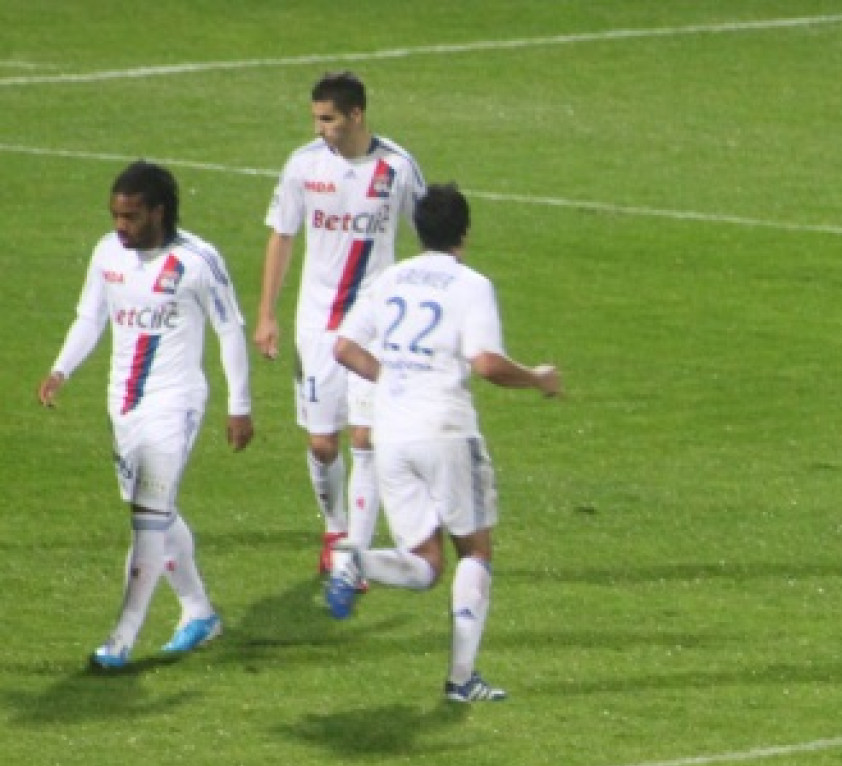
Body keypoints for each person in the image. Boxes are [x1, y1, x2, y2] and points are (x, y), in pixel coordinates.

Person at [325, 183, 562, 702]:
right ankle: (460, 679)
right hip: (447, 432)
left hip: (392, 434)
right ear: (465, 232)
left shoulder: (390, 278)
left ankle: (356, 559)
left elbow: (343, 347)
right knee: (474, 551)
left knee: (426, 565)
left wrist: (390, 378)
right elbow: (487, 364)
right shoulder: (470, 285)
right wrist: (539, 378)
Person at [38, 161, 254, 669]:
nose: (120, 225)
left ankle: (121, 639)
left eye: (131, 217)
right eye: (115, 215)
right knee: (153, 512)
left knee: (148, 520)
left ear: (159, 212)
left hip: (174, 404)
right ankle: (199, 611)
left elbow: (229, 332)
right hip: (124, 404)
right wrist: (61, 369)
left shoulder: (198, 262)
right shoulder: (108, 253)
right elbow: (90, 317)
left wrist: (239, 405)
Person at [254, 70, 427, 576]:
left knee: (366, 438)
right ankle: (333, 526)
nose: (320, 128)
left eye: (327, 119)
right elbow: (282, 236)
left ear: (356, 115)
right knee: (322, 443)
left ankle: (353, 551)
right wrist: (267, 313)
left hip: (375, 330)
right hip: (317, 326)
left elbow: (429, 237)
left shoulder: (397, 167)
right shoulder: (303, 166)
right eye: (315, 118)